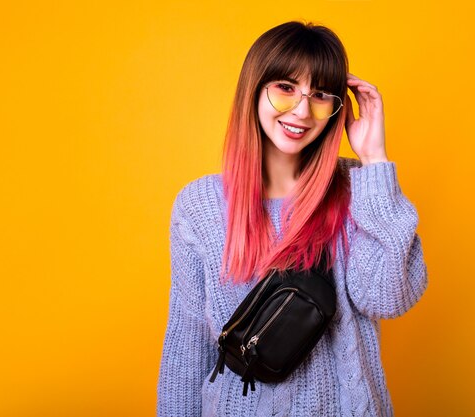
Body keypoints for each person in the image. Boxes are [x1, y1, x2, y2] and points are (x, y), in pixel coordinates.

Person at [157, 20, 428, 417]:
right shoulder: (199, 207)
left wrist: (375, 160)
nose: (302, 111)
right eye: (285, 88)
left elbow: (389, 297)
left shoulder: (359, 188)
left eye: (320, 95)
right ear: (255, 89)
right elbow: (187, 346)